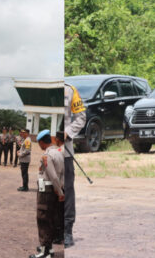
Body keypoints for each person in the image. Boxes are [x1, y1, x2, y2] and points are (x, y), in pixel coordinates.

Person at [28, 130, 65, 258]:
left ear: (42, 142)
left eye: (39, 144)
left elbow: (53, 176)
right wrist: (60, 189)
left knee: (43, 219)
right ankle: (48, 248)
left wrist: (59, 192)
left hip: (47, 191)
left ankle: (44, 252)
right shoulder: (59, 152)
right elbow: (62, 175)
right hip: (54, 189)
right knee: (51, 219)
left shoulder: (47, 155)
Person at [63, 80, 87, 248]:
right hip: (48, 150)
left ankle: (67, 231)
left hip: (65, 150)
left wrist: (68, 132)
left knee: (67, 190)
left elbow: (81, 118)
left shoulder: (70, 90)